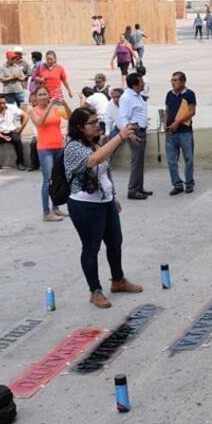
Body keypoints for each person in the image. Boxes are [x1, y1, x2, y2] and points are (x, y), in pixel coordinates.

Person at [63, 106, 142, 309]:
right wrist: (120, 137)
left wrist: (112, 195)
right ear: (80, 127)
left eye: (97, 121)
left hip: (105, 201)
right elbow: (94, 161)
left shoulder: (94, 143)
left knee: (115, 241)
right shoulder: (73, 147)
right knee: (91, 248)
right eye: (92, 123)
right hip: (85, 205)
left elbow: (104, 171)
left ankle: (118, 280)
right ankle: (95, 290)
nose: (97, 125)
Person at [29, 88, 71, 220]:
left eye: (44, 94)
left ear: (49, 95)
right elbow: (40, 122)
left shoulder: (55, 108)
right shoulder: (33, 110)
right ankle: (46, 213)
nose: (42, 97)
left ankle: (55, 208)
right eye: (39, 94)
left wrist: (64, 104)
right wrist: (50, 106)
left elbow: (70, 116)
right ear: (35, 97)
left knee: (58, 178)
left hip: (59, 145)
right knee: (48, 180)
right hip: (45, 148)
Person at [118, 72, 152, 200]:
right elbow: (123, 118)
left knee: (140, 161)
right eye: (141, 82)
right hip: (135, 132)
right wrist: (130, 134)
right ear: (135, 84)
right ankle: (132, 190)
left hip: (141, 130)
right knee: (136, 161)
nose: (143, 83)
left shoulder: (137, 95)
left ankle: (139, 187)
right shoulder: (126, 98)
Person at [164, 71, 196, 195]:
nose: (173, 83)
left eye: (176, 80)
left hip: (184, 132)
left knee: (188, 158)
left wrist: (178, 122)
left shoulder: (189, 94)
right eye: (172, 80)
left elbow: (192, 111)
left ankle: (189, 183)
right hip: (171, 133)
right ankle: (177, 184)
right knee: (172, 160)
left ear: (183, 82)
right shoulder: (169, 94)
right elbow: (167, 110)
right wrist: (166, 125)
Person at [0, 93, 27, 172]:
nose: (2, 105)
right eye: (0, 103)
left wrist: (21, 128)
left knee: (17, 141)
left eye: (4, 103)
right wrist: (3, 137)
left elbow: (26, 116)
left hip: (11, 131)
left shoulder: (12, 108)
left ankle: (20, 162)